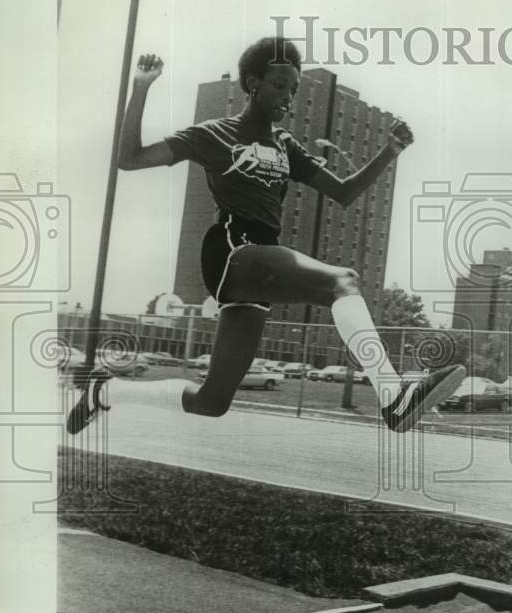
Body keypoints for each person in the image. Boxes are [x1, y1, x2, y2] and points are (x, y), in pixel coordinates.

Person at [67, 37, 464, 435]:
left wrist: (390, 151)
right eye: (279, 86)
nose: (288, 97)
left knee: (212, 402)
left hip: (259, 262)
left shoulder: (285, 144)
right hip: (231, 250)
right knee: (342, 281)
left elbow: (344, 192)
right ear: (253, 82)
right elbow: (129, 159)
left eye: (294, 89)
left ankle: (106, 391)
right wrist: (141, 87)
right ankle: (394, 397)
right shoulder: (215, 134)